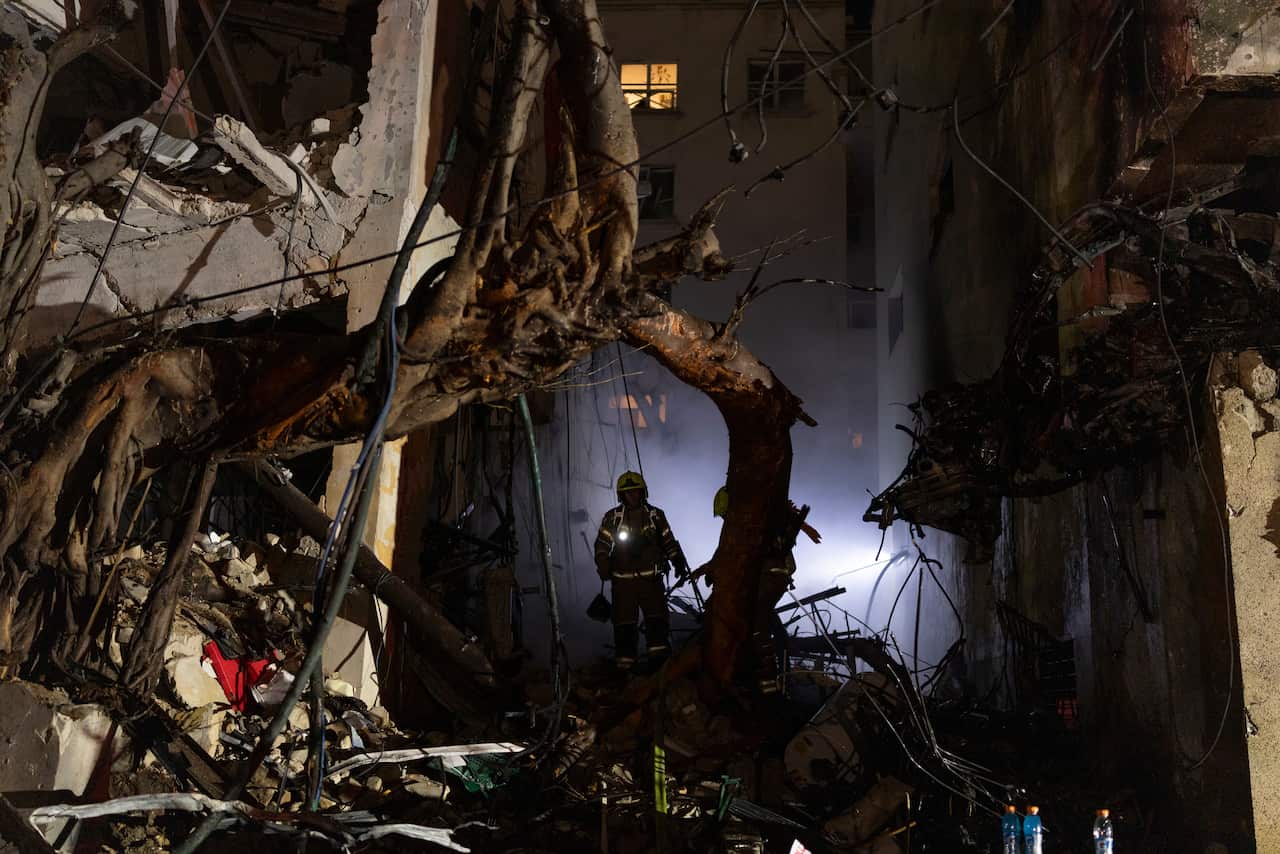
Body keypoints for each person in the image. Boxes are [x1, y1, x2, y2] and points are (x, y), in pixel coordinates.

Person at [709, 485, 821, 694]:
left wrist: (805, 528)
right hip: (770, 576)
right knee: (766, 621)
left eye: (726, 515)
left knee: (758, 626)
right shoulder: (753, 520)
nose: (726, 521)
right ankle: (776, 676)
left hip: (770, 575)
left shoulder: (758, 520)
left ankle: (768, 684)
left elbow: (735, 552)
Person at [594, 471, 690, 669]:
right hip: (623, 585)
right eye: (628, 493)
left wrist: (677, 561)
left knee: (657, 625)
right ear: (621, 495)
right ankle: (626, 671)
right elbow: (602, 545)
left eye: (636, 491)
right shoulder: (613, 517)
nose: (633, 496)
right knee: (624, 627)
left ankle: (659, 669)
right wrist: (603, 565)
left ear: (643, 492)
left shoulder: (655, 516)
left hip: (651, 583)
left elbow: (668, 541)